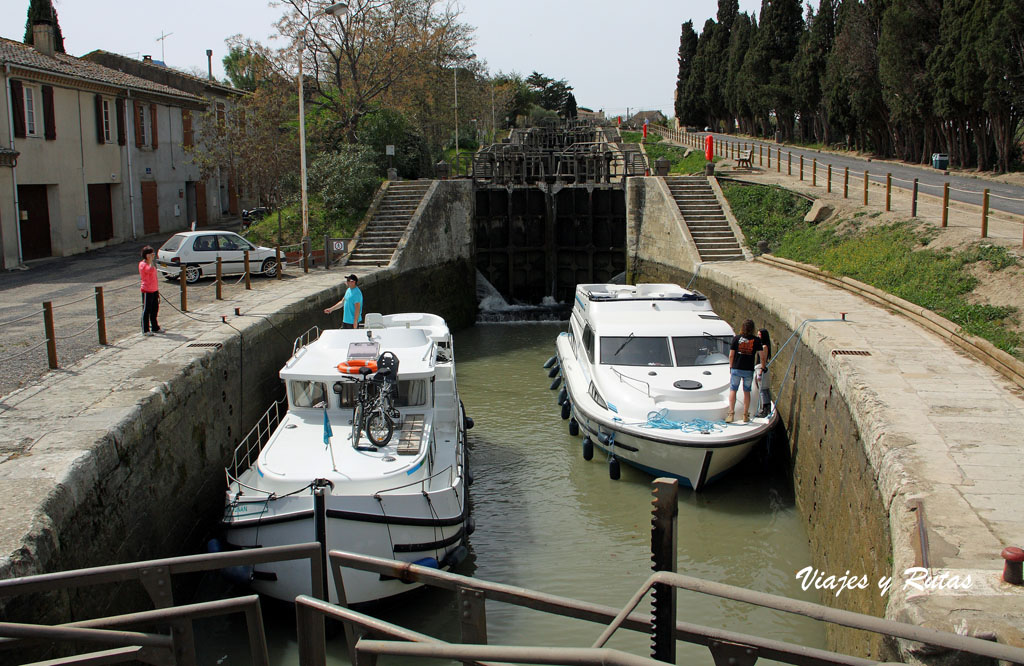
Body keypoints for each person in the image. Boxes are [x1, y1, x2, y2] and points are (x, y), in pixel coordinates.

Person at [726, 319, 765, 423]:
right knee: (746, 391)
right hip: (748, 370)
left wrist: (731, 367)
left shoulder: (736, 339)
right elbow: (762, 357)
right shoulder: (757, 340)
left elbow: (731, 355)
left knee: (733, 390)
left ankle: (731, 414)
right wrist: (763, 367)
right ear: (752, 329)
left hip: (736, 368)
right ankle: (745, 415)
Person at [139, 246, 162, 336]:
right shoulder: (143, 264)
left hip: (154, 289)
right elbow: (150, 270)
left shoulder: (150, 264)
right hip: (147, 290)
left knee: (154, 309)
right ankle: (145, 329)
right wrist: (151, 261)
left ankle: (155, 327)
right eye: (150, 253)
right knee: (146, 310)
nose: (152, 255)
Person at [756, 328, 772, 418]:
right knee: (764, 390)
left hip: (762, 369)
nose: (758, 336)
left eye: (759, 335)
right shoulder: (762, 345)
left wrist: (761, 371)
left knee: (763, 390)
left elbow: (763, 359)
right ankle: (766, 408)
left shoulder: (764, 347)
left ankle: (764, 410)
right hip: (761, 368)